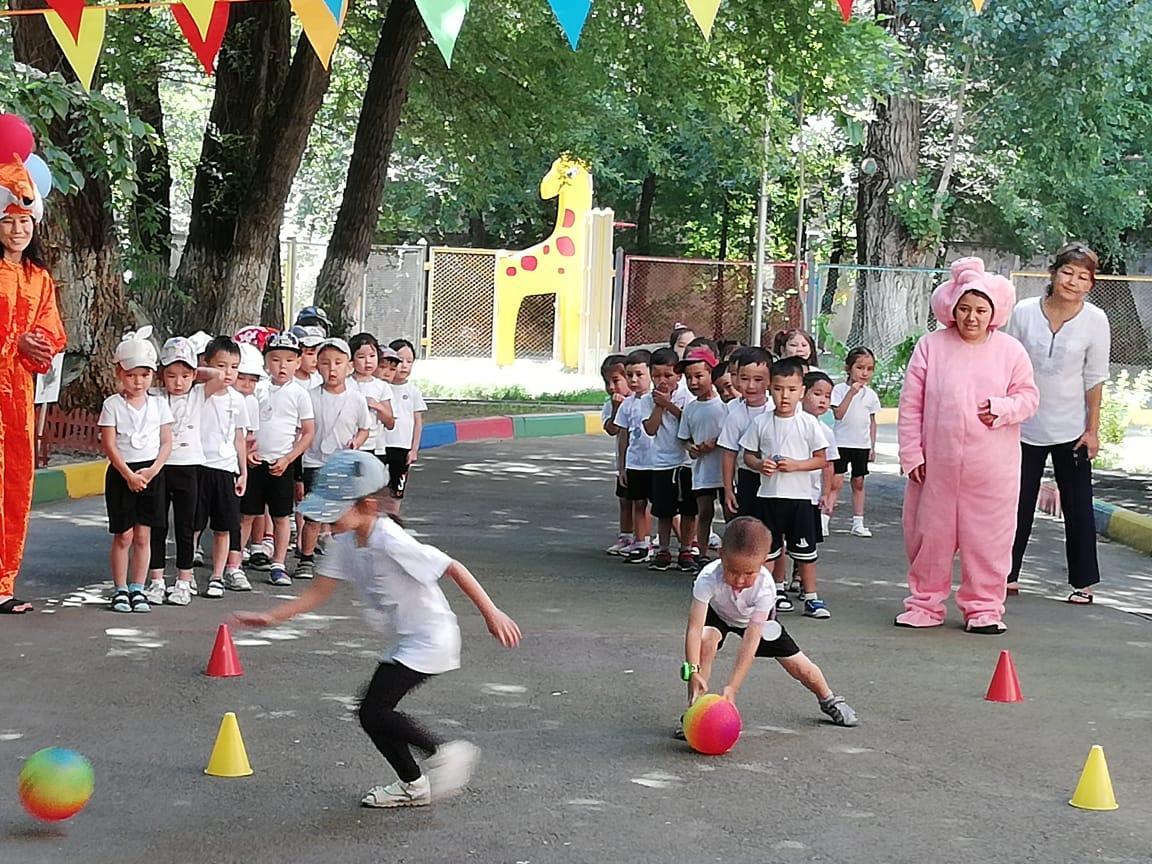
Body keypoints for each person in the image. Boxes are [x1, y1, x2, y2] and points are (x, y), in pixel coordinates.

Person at [234, 450, 521, 808]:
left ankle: (444, 751)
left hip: (432, 637)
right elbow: (319, 592)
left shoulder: (391, 540)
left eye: (335, 509)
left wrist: (491, 613)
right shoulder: (343, 543)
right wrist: (272, 617)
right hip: (408, 638)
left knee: (374, 710)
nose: (326, 519)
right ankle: (414, 785)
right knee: (372, 716)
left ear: (367, 505)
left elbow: (452, 567)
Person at [896, 257, 1038, 634]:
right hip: (936, 467)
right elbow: (911, 403)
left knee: (989, 541)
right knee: (930, 537)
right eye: (964, 308)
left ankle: (985, 608)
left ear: (993, 313)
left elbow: (1029, 397)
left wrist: (1002, 408)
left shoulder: (1011, 351)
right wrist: (912, 452)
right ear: (951, 309)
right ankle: (924, 603)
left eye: (980, 310)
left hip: (992, 470)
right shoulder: (931, 346)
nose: (971, 317)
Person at [679, 517, 857, 736]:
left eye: (749, 573)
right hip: (719, 614)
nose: (740, 580)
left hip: (754, 621)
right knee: (705, 641)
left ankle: (829, 699)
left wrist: (732, 687)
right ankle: (694, 710)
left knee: (800, 666)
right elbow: (694, 628)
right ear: (721, 554)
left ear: (764, 561)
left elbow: (750, 641)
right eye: (733, 570)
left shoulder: (765, 588)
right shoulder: (708, 577)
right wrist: (692, 670)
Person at [1004, 243, 1111, 604]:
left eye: (1083, 277)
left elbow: (1094, 378)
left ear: (1091, 285)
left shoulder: (1096, 321)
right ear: (1053, 273)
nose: (1073, 281)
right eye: (1068, 272)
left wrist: (1092, 429)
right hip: (1022, 426)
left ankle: (1083, 583)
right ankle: (1006, 573)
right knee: (1014, 504)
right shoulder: (1023, 312)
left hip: (1072, 430)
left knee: (1079, 505)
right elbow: (1006, 364)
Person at [0, 154, 66, 615]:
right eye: (8, 220)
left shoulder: (38, 277)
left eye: (25, 220)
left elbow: (51, 329)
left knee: (15, 484)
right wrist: (13, 340)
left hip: (18, 397)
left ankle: (3, 582)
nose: (17, 229)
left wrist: (40, 345)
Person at [740, 357, 831, 618]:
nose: (785, 396)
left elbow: (821, 459)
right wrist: (760, 465)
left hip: (800, 497)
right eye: (779, 389)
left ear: (802, 391)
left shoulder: (809, 424)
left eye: (791, 390)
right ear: (770, 389)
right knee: (769, 549)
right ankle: (769, 594)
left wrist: (796, 465)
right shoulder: (761, 422)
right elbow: (747, 455)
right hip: (768, 495)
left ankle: (812, 597)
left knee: (805, 551)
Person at [145, 337, 227, 606]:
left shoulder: (197, 394)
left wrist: (196, 372)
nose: (178, 382)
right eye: (171, 375)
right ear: (161, 375)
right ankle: (156, 580)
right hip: (159, 465)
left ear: (193, 374)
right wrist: (169, 372)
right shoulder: (155, 396)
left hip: (189, 465)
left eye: (184, 375)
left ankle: (183, 579)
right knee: (157, 523)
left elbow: (220, 375)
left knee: (185, 525)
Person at [98, 329, 174, 613]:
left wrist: (153, 471)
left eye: (144, 375)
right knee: (124, 535)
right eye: (131, 375)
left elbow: (167, 442)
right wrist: (128, 475)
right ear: (120, 373)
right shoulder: (112, 405)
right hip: (122, 475)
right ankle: (119, 588)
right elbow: (109, 443)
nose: (138, 381)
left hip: (152, 474)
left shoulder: (159, 405)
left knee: (144, 536)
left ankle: (138, 588)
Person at [239, 331, 315, 588]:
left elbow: (308, 432)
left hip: (282, 464)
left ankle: (279, 564)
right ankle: (233, 562)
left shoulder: (300, 394)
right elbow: (246, 425)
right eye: (275, 359)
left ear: (298, 362)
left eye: (288, 360)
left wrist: (289, 458)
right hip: (255, 462)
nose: (282, 366)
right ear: (266, 361)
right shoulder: (258, 390)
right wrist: (247, 453)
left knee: (282, 516)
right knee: (248, 514)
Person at [297, 338, 373, 579]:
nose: (332, 369)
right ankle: (306, 558)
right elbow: (301, 428)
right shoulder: (307, 396)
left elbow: (364, 428)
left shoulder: (356, 399)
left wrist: (357, 443)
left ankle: (342, 560)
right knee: (313, 515)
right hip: (314, 461)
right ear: (317, 366)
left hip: (342, 463)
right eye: (326, 363)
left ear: (349, 366)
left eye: (338, 363)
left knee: (342, 514)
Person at [197, 336, 253, 600]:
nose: (228, 373)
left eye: (234, 367)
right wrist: (212, 376)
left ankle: (218, 575)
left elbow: (239, 437)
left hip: (226, 468)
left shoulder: (238, 400)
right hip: (198, 465)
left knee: (224, 527)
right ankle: (186, 572)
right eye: (221, 365)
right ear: (207, 364)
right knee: (193, 523)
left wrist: (243, 471)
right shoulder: (198, 395)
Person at [642, 347, 696, 572]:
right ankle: (663, 549)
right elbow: (651, 429)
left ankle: (686, 548)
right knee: (664, 510)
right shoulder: (648, 399)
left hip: (686, 462)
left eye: (668, 375)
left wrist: (669, 405)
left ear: (679, 376)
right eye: (656, 376)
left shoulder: (688, 396)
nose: (662, 381)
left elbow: (690, 422)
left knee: (688, 510)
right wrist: (658, 405)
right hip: (662, 462)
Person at [676, 347, 727, 566]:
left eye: (699, 376)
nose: (693, 382)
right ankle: (703, 553)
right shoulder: (691, 408)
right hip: (702, 470)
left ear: (711, 375)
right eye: (689, 378)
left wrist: (715, 443)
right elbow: (683, 438)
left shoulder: (725, 405)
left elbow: (733, 433)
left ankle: (729, 553)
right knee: (703, 512)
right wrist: (692, 448)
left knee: (730, 513)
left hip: (725, 470)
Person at [604, 349, 654, 563]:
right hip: (633, 462)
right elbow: (616, 432)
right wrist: (622, 467)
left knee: (660, 505)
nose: (633, 380)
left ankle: (681, 545)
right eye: (607, 382)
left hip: (657, 462)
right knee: (633, 501)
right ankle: (635, 540)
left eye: (617, 380)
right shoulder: (621, 405)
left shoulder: (653, 400)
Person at [830, 347, 881, 538]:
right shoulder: (839, 390)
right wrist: (851, 393)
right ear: (848, 368)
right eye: (860, 368)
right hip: (841, 442)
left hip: (861, 445)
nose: (864, 373)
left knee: (858, 482)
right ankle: (824, 518)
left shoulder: (871, 396)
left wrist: (872, 446)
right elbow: (838, 414)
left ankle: (858, 522)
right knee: (835, 481)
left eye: (869, 369)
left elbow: (872, 422)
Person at [717, 347, 772, 521]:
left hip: (776, 476)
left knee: (775, 529)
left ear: (770, 380)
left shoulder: (776, 409)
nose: (751, 386)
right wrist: (728, 489)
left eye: (758, 379)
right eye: (744, 378)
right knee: (748, 526)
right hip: (747, 476)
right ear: (736, 379)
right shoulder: (735, 415)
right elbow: (728, 454)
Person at [378, 339, 427, 516]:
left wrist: (414, 449)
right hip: (381, 446)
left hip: (402, 447)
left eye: (409, 361)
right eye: (400, 360)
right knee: (378, 488)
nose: (404, 366)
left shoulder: (413, 391)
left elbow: (417, 422)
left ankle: (393, 521)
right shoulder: (381, 388)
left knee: (396, 491)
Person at [600, 354, 635, 556]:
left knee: (642, 502)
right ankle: (625, 536)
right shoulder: (610, 405)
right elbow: (612, 429)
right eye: (607, 382)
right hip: (623, 462)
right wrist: (615, 409)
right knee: (624, 500)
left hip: (644, 461)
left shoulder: (642, 401)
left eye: (616, 381)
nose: (611, 387)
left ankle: (644, 538)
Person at [349, 332, 396, 460]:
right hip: (346, 443)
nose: (368, 361)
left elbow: (390, 423)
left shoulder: (381, 386)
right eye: (361, 357)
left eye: (372, 356)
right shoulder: (344, 383)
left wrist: (378, 406)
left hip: (371, 446)